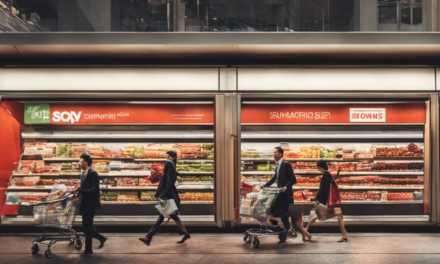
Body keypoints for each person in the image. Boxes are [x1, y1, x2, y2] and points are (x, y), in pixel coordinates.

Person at [256, 147, 311, 243]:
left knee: (281, 213)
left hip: (286, 195)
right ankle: (285, 232)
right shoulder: (277, 165)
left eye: (276, 152)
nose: (274, 154)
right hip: (280, 195)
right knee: (280, 214)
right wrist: (264, 186)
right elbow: (274, 178)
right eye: (273, 152)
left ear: (281, 154)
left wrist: (285, 187)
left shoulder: (286, 164)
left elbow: (293, 179)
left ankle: (286, 231)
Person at [139, 150, 190, 246]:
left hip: (168, 195)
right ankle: (186, 234)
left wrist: (164, 195)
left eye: (168, 155)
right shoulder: (172, 164)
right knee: (172, 216)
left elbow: (169, 181)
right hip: (169, 194)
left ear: (171, 157)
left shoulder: (169, 163)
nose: (167, 157)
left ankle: (148, 236)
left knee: (161, 216)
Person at [305, 160, 348, 242]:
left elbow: (324, 189)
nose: (317, 168)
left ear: (320, 167)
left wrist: (317, 198)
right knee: (339, 216)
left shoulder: (325, 175)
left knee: (315, 213)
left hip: (330, 202)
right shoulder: (327, 174)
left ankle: (305, 230)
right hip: (334, 201)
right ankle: (344, 234)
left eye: (317, 166)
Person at [78, 153, 107, 254]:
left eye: (81, 162)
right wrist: (78, 190)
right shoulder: (82, 173)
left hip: (91, 203)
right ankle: (101, 238)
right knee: (86, 225)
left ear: (86, 162)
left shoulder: (93, 173)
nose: (79, 163)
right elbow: (83, 187)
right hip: (84, 203)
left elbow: (95, 189)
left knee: (87, 225)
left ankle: (88, 249)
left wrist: (83, 191)